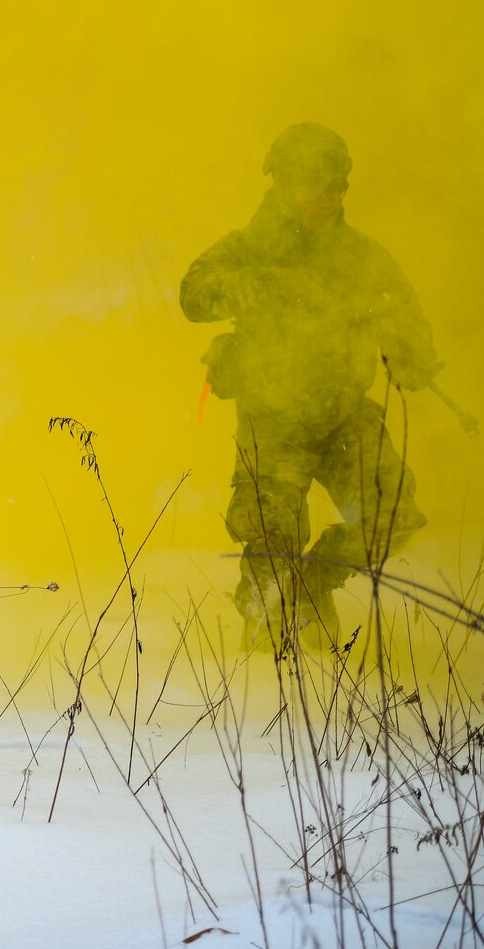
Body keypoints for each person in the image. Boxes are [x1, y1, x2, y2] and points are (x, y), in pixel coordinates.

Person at [181, 123, 440, 650]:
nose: (328, 199)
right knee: (272, 541)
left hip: (344, 413)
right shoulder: (250, 247)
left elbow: (407, 320)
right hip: (273, 418)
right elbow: (193, 295)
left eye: (337, 188)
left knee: (391, 513)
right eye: (315, 186)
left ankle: (313, 582)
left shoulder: (362, 258)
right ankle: (269, 639)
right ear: (281, 184)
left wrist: (411, 354)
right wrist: (254, 285)